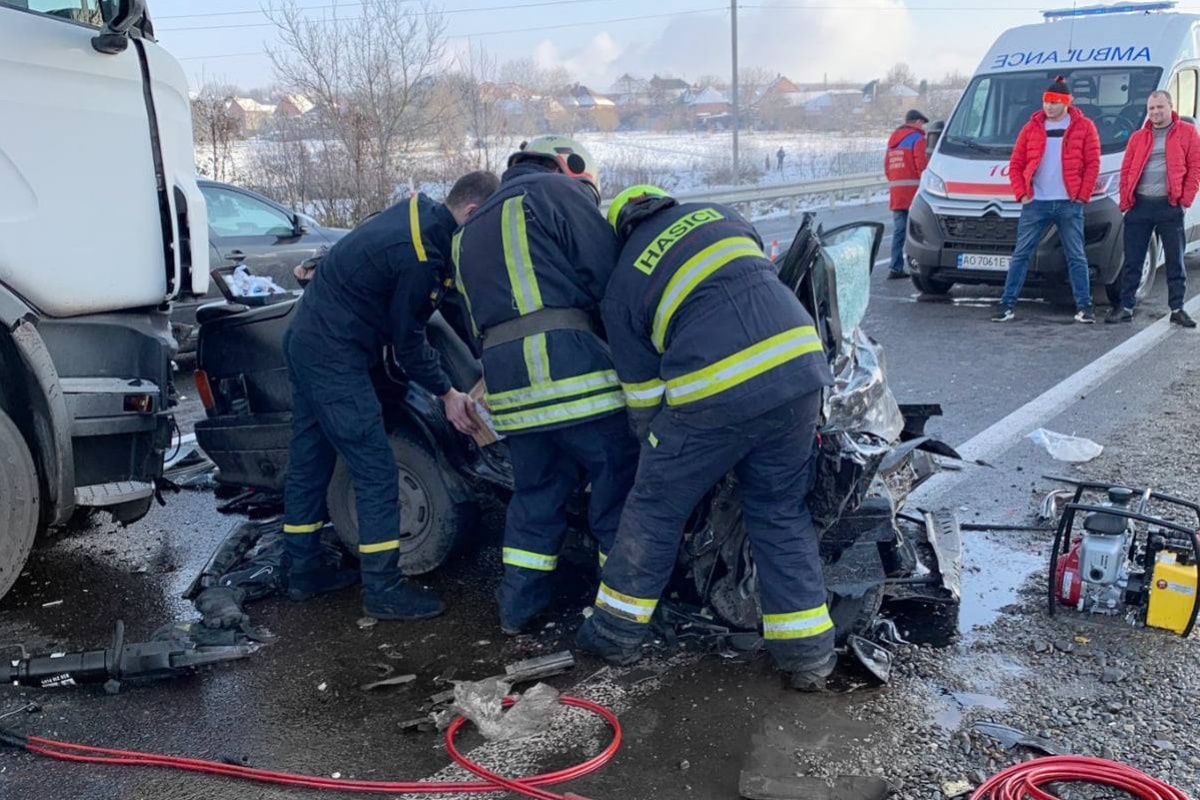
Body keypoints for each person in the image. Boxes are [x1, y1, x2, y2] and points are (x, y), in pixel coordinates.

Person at [575, 184, 837, 692]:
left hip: (714, 394)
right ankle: (808, 656)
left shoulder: (624, 279)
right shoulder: (719, 214)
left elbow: (644, 397)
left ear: (620, 231)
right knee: (779, 509)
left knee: (654, 507)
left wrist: (657, 453)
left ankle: (614, 632)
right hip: (800, 371)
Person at [282, 171, 499, 621]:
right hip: (333, 354)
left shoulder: (422, 220)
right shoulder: (419, 253)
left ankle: (301, 572)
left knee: (311, 459)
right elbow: (409, 339)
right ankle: (383, 588)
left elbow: (442, 305)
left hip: (310, 340)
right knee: (376, 468)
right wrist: (448, 392)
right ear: (472, 213)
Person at [451, 136, 639, 635]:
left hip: (512, 396)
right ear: (571, 169)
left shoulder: (465, 233)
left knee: (535, 499)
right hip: (580, 382)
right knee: (614, 491)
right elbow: (610, 281)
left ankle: (518, 610)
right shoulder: (557, 194)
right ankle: (621, 614)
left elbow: (474, 323)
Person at [993, 77, 1100, 324]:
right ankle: (1006, 304)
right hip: (1036, 202)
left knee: (1076, 255)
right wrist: (1021, 193)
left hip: (1069, 203)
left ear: (1066, 102)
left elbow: (1093, 163)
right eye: (1046, 101)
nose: (1049, 107)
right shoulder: (1031, 127)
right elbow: (1016, 163)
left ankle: (1084, 306)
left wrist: (1082, 195)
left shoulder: (1084, 127)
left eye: (1054, 102)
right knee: (1021, 254)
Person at [1108, 90, 1200, 327]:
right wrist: (1125, 202)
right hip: (1140, 205)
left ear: (1170, 107)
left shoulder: (1187, 133)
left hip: (1169, 205)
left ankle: (1178, 308)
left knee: (1174, 260)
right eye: (1151, 108)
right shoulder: (1139, 137)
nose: (1156, 112)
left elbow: (1195, 168)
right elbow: (1127, 170)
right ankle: (1126, 306)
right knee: (1133, 260)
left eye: (1160, 107)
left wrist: (1184, 200)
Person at [884, 109, 929, 279]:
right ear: (917, 121)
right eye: (922, 123)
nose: (922, 126)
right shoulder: (917, 139)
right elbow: (921, 165)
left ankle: (895, 267)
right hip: (914, 194)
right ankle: (919, 268)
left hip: (896, 193)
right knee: (919, 233)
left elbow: (887, 168)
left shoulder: (892, 140)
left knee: (899, 232)